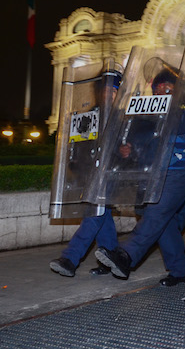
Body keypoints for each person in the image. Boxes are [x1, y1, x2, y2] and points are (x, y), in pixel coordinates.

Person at [96, 64, 185, 287]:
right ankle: (179, 271)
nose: (162, 92)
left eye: (167, 88)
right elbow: (140, 143)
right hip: (154, 175)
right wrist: (129, 149)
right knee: (164, 224)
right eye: (158, 88)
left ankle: (127, 255)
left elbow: (172, 128)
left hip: (178, 174)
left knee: (155, 216)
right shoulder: (150, 115)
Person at [50, 71, 122, 277]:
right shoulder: (91, 114)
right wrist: (75, 167)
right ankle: (111, 257)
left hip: (112, 175)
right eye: (106, 90)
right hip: (91, 176)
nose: (109, 95)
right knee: (102, 215)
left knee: (94, 215)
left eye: (114, 91)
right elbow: (78, 146)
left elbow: (133, 147)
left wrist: (126, 152)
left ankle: (70, 258)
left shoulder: (123, 116)